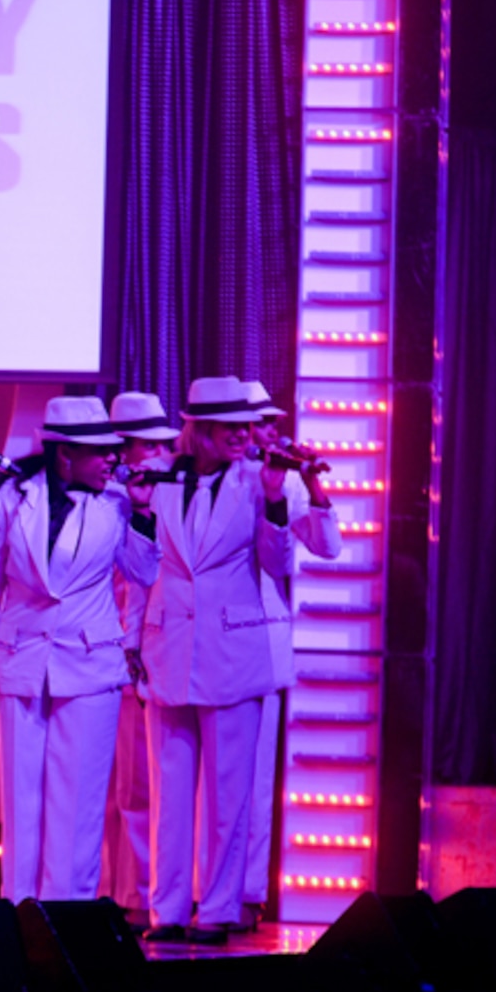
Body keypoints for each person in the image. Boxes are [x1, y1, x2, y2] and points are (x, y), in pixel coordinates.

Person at [0, 397, 160, 903]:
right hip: (21, 660)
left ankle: (68, 912)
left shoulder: (117, 504)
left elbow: (145, 572)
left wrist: (141, 513)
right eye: (100, 452)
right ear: (65, 455)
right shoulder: (13, 497)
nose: (112, 460)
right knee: (22, 796)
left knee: (79, 800)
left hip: (90, 664)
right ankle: (18, 909)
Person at [137, 377, 295, 945]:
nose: (242, 434)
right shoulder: (161, 480)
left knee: (229, 795)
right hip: (169, 654)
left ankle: (221, 909)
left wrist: (276, 502)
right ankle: (168, 911)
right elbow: (140, 568)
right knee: (170, 797)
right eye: (228, 426)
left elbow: (279, 563)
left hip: (233, 657)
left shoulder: (259, 481)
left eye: (244, 425)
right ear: (199, 431)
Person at [238, 379, 340, 925]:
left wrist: (310, 485)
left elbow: (327, 547)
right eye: (260, 424)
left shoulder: (288, 484)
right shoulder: (224, 480)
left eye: (273, 424)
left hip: (264, 636)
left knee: (255, 778)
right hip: (212, 637)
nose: (269, 433)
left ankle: (248, 893)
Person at [101, 391, 181, 924]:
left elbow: (151, 581)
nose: (149, 455)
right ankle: (109, 892)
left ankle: (140, 897)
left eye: (156, 445)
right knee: (107, 788)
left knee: (140, 786)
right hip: (98, 650)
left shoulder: (169, 497)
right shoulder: (106, 495)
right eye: (141, 445)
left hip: (148, 650)